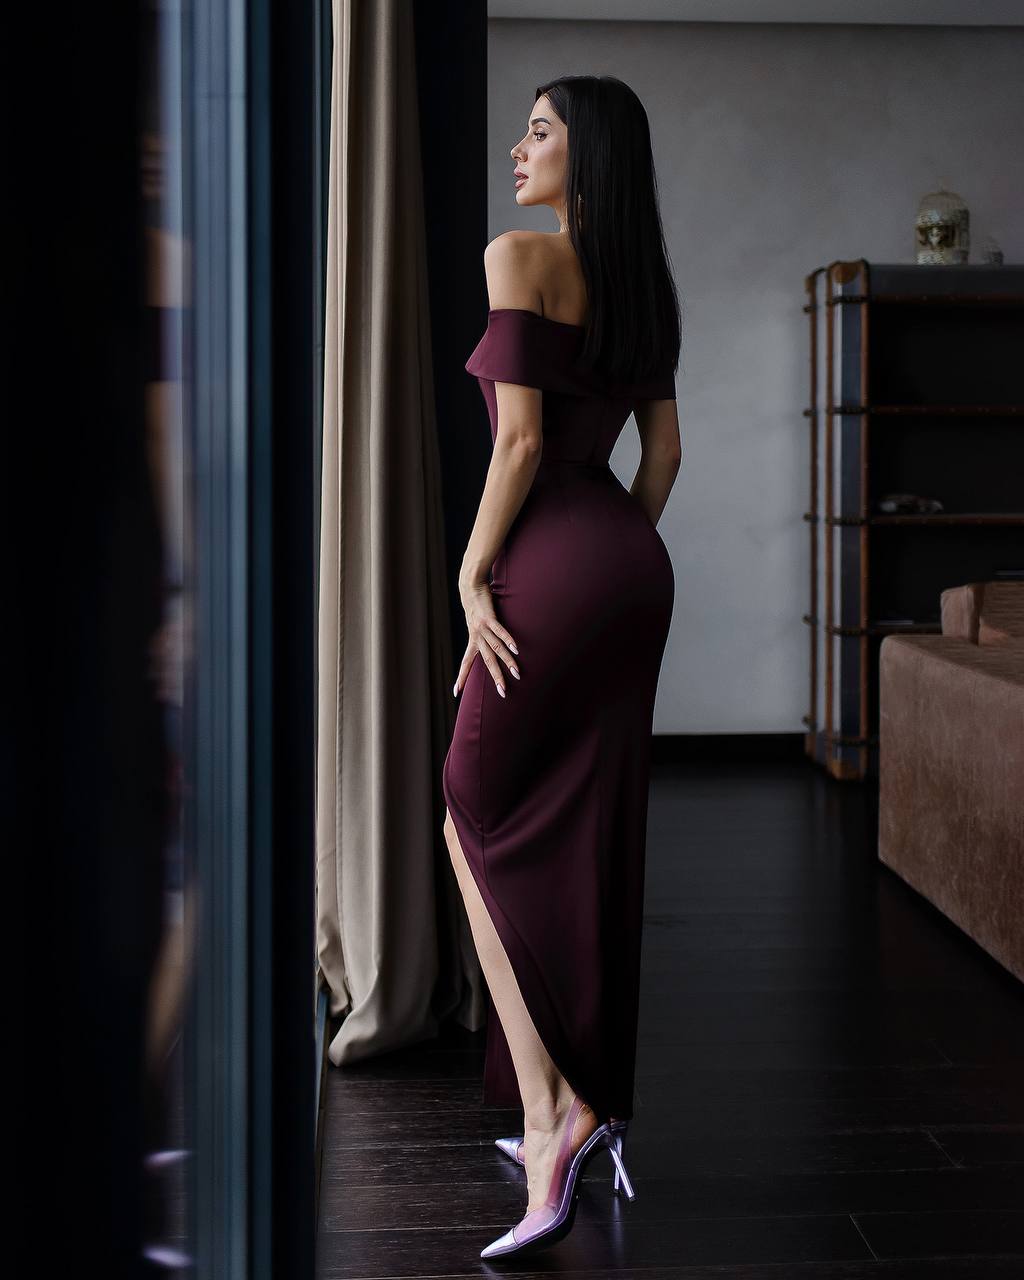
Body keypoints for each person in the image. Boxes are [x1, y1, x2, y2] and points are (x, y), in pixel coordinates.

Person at [441, 73, 682, 1260]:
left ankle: (555, 1112)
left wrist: (473, 572)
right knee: (589, 821)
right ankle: (591, 1095)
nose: (520, 146)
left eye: (541, 131)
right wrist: (614, 554)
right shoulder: (643, 287)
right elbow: (664, 454)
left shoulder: (517, 255)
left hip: (548, 559)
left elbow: (522, 439)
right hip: (630, 564)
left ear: (585, 159)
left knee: (465, 807)